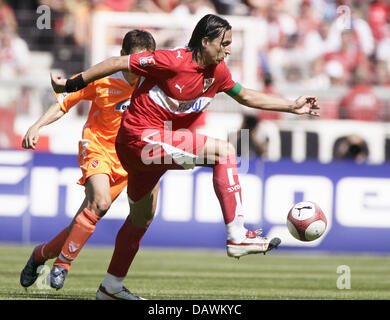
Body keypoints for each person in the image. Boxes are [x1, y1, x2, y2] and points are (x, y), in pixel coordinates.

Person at [52, 14, 319, 300]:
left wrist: (292, 106)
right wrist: (71, 84)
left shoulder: (219, 72)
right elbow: (118, 62)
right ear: (205, 42)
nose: (228, 49)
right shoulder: (172, 60)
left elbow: (246, 97)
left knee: (141, 218)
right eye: (224, 43)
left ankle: (111, 287)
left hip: (147, 151)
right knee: (225, 151)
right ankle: (237, 234)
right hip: (137, 138)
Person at [20, 30, 156, 298]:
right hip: (97, 147)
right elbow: (64, 103)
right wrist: (37, 125)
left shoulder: (152, 84)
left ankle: (40, 254)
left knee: (83, 221)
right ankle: (62, 265)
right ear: (122, 58)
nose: (139, 68)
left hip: (128, 161)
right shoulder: (103, 78)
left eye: (145, 62)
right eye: (134, 61)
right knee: (101, 202)